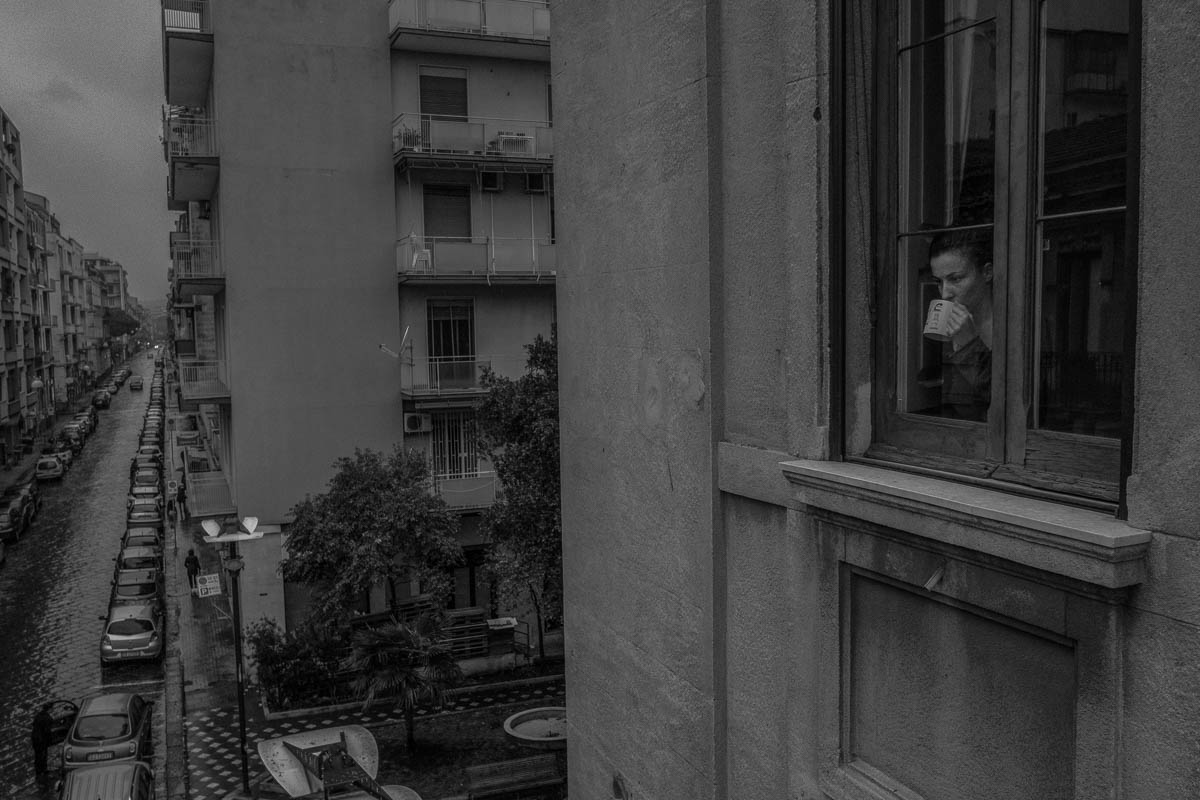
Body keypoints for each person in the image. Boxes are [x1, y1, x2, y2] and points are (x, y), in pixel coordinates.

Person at [927, 230, 994, 421]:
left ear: (987, 272)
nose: (945, 293)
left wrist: (969, 345)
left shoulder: (1012, 327)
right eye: (938, 282)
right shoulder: (946, 324)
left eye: (955, 279)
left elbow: (1002, 405)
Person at [31, 703, 52, 775]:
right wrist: (49, 740)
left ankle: (38, 770)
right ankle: (43, 770)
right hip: (41, 740)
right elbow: (47, 731)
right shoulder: (47, 718)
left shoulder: (38, 716)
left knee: (37, 755)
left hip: (34, 738)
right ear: (49, 709)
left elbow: (33, 724)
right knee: (43, 754)